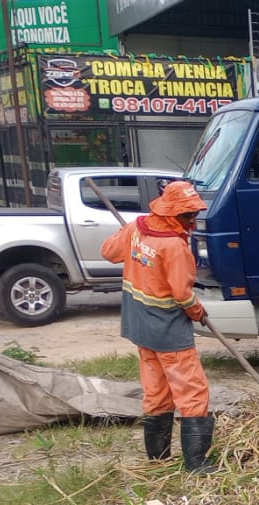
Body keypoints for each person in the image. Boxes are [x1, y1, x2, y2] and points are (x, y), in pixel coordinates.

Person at [99, 180, 215, 472]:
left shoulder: (136, 228)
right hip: (168, 331)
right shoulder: (175, 246)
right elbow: (182, 294)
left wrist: (130, 237)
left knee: (157, 392)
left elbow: (108, 252)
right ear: (171, 214)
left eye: (194, 215)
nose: (192, 222)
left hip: (141, 327)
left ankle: (158, 460)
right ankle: (197, 464)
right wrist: (198, 311)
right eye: (187, 216)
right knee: (192, 392)